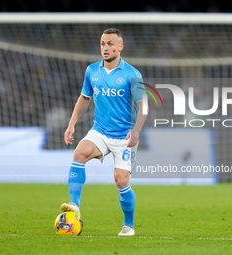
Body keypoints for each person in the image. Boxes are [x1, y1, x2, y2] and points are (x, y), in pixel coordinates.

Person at [61, 28, 147, 236]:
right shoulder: (92, 71)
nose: (106, 48)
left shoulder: (132, 75)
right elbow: (84, 98)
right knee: (79, 153)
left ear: (120, 47)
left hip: (124, 136)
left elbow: (143, 105)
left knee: (121, 180)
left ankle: (128, 225)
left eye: (110, 44)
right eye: (102, 44)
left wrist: (136, 131)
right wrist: (72, 123)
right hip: (99, 131)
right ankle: (75, 207)